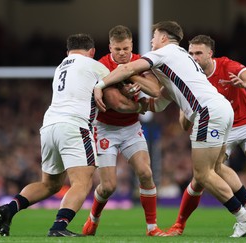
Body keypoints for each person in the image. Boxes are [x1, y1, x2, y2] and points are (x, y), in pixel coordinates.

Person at [94, 20, 246, 238]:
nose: (151, 40)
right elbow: (159, 100)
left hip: (207, 112)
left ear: (164, 37)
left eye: (154, 36)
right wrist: (138, 105)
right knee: (217, 167)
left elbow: (127, 68)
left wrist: (100, 84)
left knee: (203, 174)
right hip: (222, 109)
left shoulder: (166, 52)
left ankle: (244, 218)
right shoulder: (178, 59)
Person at [165, 34, 246, 236]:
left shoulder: (226, 66)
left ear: (210, 54)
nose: (194, 57)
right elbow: (184, 125)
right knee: (201, 178)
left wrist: (244, 84)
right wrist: (185, 108)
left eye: (199, 53)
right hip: (219, 129)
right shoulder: (189, 78)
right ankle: (179, 224)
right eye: (191, 53)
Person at [0, 33, 110, 237]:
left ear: (68, 52)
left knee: (50, 184)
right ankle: (59, 227)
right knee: (83, 182)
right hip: (74, 125)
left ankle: (10, 208)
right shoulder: (93, 65)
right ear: (92, 51)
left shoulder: (60, 67)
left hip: (49, 126)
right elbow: (116, 83)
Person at [81, 25, 166, 237]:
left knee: (146, 173)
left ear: (132, 46)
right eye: (117, 49)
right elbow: (116, 103)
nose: (122, 53)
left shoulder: (139, 61)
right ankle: (93, 219)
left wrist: (131, 74)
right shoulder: (101, 66)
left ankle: (152, 228)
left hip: (130, 128)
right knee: (108, 186)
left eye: (126, 48)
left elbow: (155, 90)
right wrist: (138, 104)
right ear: (110, 47)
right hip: (105, 129)